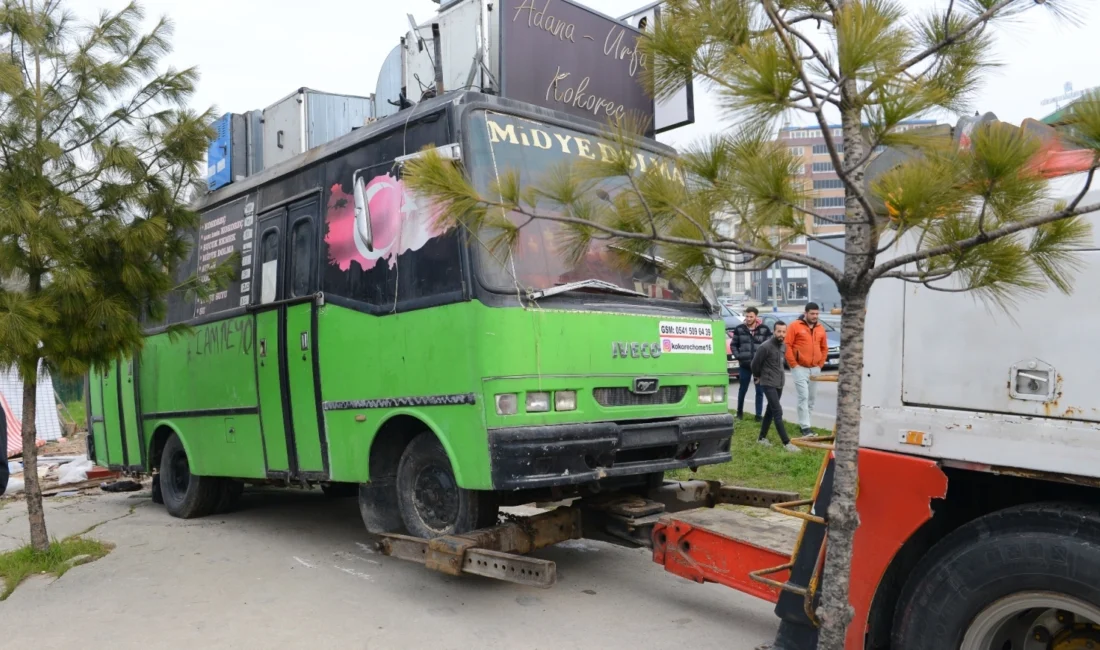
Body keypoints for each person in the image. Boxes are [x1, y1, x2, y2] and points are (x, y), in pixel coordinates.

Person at [751, 321, 799, 452]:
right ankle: (786, 443)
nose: (781, 334)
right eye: (779, 331)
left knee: (770, 410)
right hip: (768, 382)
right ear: (774, 331)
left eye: (784, 332)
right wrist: (757, 376)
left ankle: (761, 438)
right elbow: (755, 364)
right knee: (778, 411)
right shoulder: (765, 347)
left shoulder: (783, 346)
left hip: (779, 383)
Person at [785, 302, 829, 437]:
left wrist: (820, 364)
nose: (815, 316)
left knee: (811, 398)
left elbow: (824, 347)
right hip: (800, 368)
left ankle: (807, 423)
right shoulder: (795, 326)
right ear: (806, 313)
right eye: (812, 313)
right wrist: (794, 364)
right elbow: (787, 345)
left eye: (817, 314)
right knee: (803, 397)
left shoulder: (820, 328)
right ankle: (805, 427)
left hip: (815, 368)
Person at [731, 307, 771, 421]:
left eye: (751, 317)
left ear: (756, 317)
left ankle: (758, 415)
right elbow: (733, 345)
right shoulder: (739, 329)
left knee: (759, 391)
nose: (748, 319)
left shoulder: (764, 329)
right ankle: (739, 413)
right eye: (747, 316)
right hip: (745, 365)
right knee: (742, 389)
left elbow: (769, 345)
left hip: (759, 366)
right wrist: (738, 356)